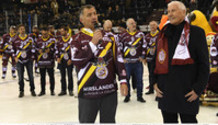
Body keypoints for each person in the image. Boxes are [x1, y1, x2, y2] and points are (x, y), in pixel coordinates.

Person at [152, 1, 209, 123]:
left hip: (187, 93)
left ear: (184, 12)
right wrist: (154, 83)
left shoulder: (196, 33)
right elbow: (154, 60)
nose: (170, 14)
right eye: (168, 11)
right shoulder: (163, 34)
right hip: (166, 92)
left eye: (174, 10)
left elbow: (204, 64)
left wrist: (198, 89)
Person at [71, 5, 128, 123]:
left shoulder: (110, 37)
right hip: (88, 92)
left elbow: (118, 59)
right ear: (82, 20)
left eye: (95, 14)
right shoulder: (76, 39)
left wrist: (123, 80)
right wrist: (92, 44)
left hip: (109, 91)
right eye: (89, 15)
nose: (93, 17)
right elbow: (77, 61)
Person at [119, 18, 147, 103]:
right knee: (126, 80)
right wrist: (122, 58)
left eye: (134, 23)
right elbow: (119, 47)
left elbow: (144, 45)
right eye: (131, 23)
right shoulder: (123, 35)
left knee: (139, 80)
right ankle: (127, 96)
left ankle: (140, 96)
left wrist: (142, 56)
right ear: (127, 25)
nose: (133, 25)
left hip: (137, 62)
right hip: (127, 63)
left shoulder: (141, 34)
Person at [12, 24, 36, 98]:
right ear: (18, 31)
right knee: (20, 77)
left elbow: (33, 48)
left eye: (23, 29)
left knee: (31, 76)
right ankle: (21, 91)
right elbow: (12, 50)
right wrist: (15, 57)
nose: (22, 30)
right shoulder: (15, 39)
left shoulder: (29, 38)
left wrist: (32, 57)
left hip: (29, 60)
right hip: (20, 61)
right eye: (21, 29)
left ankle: (32, 90)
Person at [35, 26, 56, 96]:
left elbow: (56, 49)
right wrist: (39, 51)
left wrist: (50, 50)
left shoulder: (52, 39)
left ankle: (52, 90)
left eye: (46, 34)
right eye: (43, 34)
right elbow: (35, 49)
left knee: (51, 76)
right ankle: (42, 90)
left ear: (48, 32)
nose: (45, 35)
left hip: (50, 61)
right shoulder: (38, 40)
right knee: (42, 77)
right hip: (41, 61)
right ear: (41, 33)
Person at [56, 25, 74, 96]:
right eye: (60, 31)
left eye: (62, 31)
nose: (61, 32)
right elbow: (57, 49)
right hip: (62, 60)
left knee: (70, 76)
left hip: (69, 60)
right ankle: (63, 90)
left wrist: (71, 59)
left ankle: (70, 90)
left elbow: (74, 50)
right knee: (62, 76)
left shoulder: (71, 39)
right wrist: (57, 57)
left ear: (66, 31)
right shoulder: (59, 40)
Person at [145, 21, 159, 95]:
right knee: (151, 74)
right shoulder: (147, 36)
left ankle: (159, 90)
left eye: (154, 25)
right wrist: (144, 57)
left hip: (158, 59)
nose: (152, 26)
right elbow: (144, 47)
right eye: (151, 25)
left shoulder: (160, 35)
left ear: (157, 26)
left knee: (159, 74)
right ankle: (151, 89)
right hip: (150, 59)